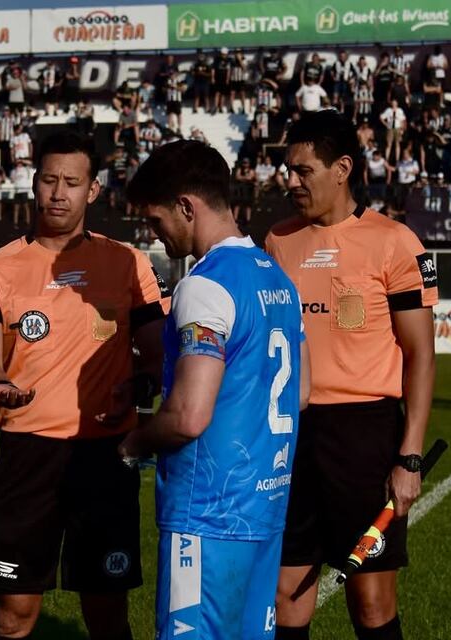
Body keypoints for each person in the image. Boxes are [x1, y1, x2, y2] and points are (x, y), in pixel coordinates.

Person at [0, 131, 168, 640]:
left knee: (107, 613)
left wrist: (142, 384)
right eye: (49, 180)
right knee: (14, 614)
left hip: (106, 454)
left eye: (72, 183)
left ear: (93, 190)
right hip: (27, 455)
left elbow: (159, 355)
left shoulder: (129, 263)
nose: (58, 193)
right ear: (33, 183)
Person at [122, 140, 308, 639]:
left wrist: (134, 442)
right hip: (265, 509)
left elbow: (188, 416)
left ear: (187, 206)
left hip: (207, 514)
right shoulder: (279, 280)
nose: (155, 233)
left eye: (156, 220)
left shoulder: (205, 285)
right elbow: (301, 394)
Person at [265, 110, 438, 640]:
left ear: (342, 169)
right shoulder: (276, 240)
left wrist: (409, 457)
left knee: (371, 601)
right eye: (288, 170)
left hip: (365, 437)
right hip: (291, 434)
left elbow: (421, 355)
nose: (291, 181)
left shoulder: (394, 241)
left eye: (303, 170)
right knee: (285, 596)